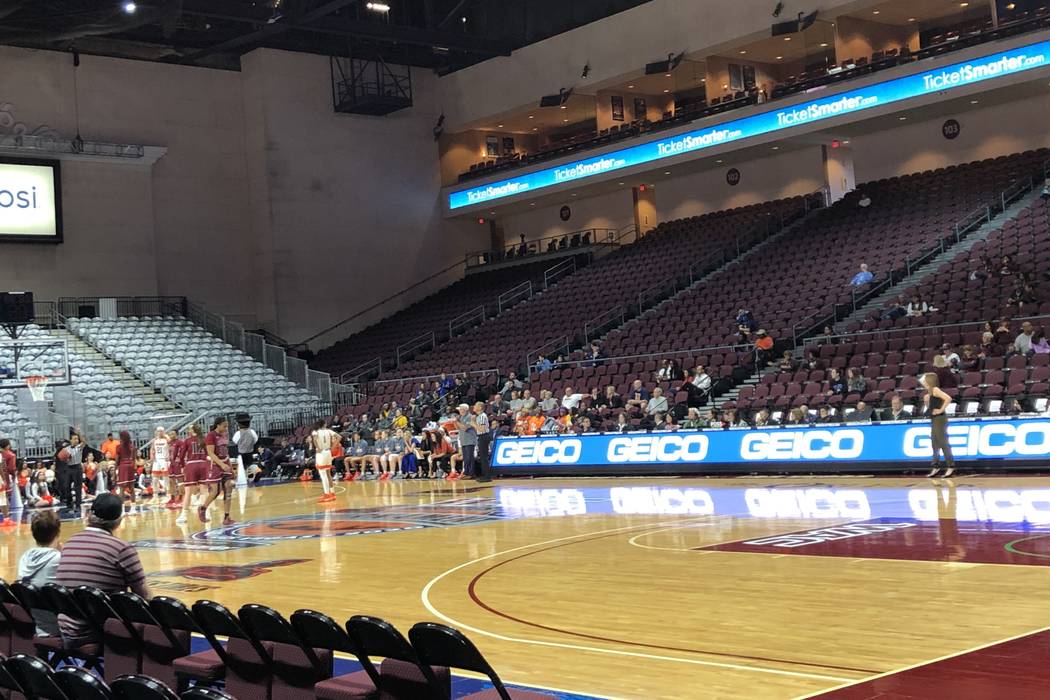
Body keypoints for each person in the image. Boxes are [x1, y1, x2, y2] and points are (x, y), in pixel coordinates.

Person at [55, 493, 151, 647]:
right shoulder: (122, 549)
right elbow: (144, 596)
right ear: (118, 521)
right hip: (98, 631)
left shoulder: (71, 542)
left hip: (65, 627)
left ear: (89, 515)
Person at [18, 511, 61, 636]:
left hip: (35, 621)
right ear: (58, 533)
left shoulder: (25, 557)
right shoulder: (57, 559)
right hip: (58, 625)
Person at [923, 373, 955, 478]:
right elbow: (931, 406)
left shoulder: (935, 390)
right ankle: (936, 466)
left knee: (943, 442)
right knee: (935, 443)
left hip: (940, 419)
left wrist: (941, 410)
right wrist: (927, 402)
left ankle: (950, 465)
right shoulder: (930, 392)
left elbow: (948, 398)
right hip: (934, 419)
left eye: (925, 379)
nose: (922, 381)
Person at [310, 418, 340, 502]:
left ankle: (327, 495)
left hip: (321, 453)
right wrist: (333, 447)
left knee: (323, 475)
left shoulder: (315, 431)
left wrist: (318, 448)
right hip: (328, 452)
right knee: (328, 473)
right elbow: (339, 437)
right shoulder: (329, 431)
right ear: (324, 424)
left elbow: (315, 439)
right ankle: (332, 493)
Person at [114, 431, 138, 516]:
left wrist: (114, 473)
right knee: (132, 488)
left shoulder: (119, 447)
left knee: (122, 489)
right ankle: (133, 509)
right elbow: (134, 460)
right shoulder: (133, 447)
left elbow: (117, 461)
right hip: (130, 466)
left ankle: (122, 511)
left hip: (123, 467)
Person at [453, 404, 478, 479]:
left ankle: (471, 473)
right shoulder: (460, 417)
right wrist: (455, 422)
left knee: (470, 457)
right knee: (466, 458)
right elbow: (457, 428)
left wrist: (457, 421)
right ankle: (466, 472)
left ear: (465, 410)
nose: (459, 411)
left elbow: (464, 428)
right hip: (463, 440)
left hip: (470, 440)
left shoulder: (470, 417)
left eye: (461, 409)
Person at [472, 402, 493, 483]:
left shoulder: (482, 416)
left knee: (484, 457)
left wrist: (473, 423)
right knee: (482, 457)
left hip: (484, 436)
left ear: (480, 407)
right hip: (481, 436)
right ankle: (484, 475)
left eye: (475, 405)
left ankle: (487, 476)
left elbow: (482, 429)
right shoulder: (479, 416)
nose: (474, 406)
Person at [148, 427, 170, 504]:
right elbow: (152, 449)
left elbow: (171, 446)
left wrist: (167, 436)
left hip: (164, 460)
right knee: (154, 479)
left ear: (163, 431)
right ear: (156, 432)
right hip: (157, 460)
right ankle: (155, 496)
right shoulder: (155, 440)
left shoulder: (167, 439)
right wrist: (152, 458)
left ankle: (168, 495)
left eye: (161, 431)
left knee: (165, 478)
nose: (160, 432)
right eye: (158, 431)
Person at [0, 439, 16, 526]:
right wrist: (4, 480)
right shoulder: (10, 455)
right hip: (2, 478)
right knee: (3, 498)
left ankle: (7, 518)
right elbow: (7, 469)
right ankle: (6, 519)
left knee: (3, 498)